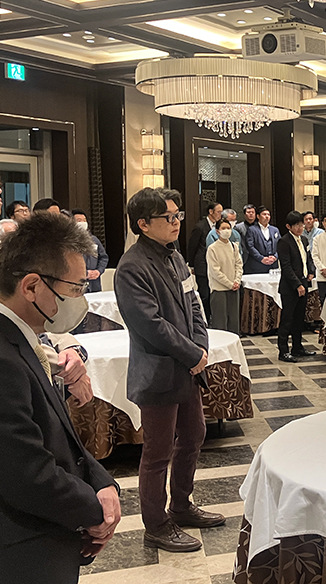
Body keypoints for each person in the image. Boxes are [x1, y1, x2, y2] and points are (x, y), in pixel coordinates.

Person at [0, 212, 120, 581]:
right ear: (31, 286)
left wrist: (102, 481)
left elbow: (58, 435)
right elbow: (27, 475)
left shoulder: (21, 340)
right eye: (74, 288)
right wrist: (96, 509)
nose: (78, 299)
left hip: (42, 543)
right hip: (15, 558)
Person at [116, 187, 224, 553]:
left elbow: (194, 304)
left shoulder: (175, 256)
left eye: (178, 215)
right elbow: (150, 324)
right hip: (159, 371)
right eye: (168, 217)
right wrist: (190, 353)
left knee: (194, 435)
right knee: (158, 451)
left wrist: (201, 345)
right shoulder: (132, 267)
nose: (176, 222)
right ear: (143, 224)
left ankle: (181, 504)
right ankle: (156, 524)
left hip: (187, 367)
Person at [276, 211, 316, 362]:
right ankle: (283, 351)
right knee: (287, 319)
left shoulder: (304, 240)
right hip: (290, 287)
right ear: (288, 226)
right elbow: (286, 267)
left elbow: (307, 258)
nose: (300, 228)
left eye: (301, 225)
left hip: (303, 283)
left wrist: (311, 271)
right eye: (296, 225)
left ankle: (297, 347)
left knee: (299, 318)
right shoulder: (284, 242)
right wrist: (297, 284)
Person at [206, 217, 242, 334]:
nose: (226, 230)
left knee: (234, 321)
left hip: (234, 288)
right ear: (217, 231)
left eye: (228, 228)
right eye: (223, 228)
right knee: (220, 321)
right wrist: (229, 284)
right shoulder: (212, 248)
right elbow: (215, 271)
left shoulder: (234, 246)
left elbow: (239, 265)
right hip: (219, 289)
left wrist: (237, 281)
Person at [186, 201, 222, 316]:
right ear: (211, 212)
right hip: (202, 265)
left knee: (214, 294)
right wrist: (192, 265)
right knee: (204, 294)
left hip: (216, 266)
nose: (220, 214)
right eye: (218, 212)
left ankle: (213, 317)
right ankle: (204, 318)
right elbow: (192, 246)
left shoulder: (220, 226)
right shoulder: (200, 227)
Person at [72, 208, 109, 293]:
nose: (83, 222)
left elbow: (103, 257)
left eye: (84, 220)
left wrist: (98, 271)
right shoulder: (70, 241)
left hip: (95, 284)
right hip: (78, 285)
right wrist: (84, 273)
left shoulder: (94, 240)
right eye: (79, 220)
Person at [245, 206, 280, 274]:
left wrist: (275, 257)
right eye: (264, 214)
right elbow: (250, 246)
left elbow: (280, 245)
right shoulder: (252, 229)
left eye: (268, 214)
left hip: (273, 265)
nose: (267, 216)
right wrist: (261, 258)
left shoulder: (275, 230)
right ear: (258, 216)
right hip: (258, 264)